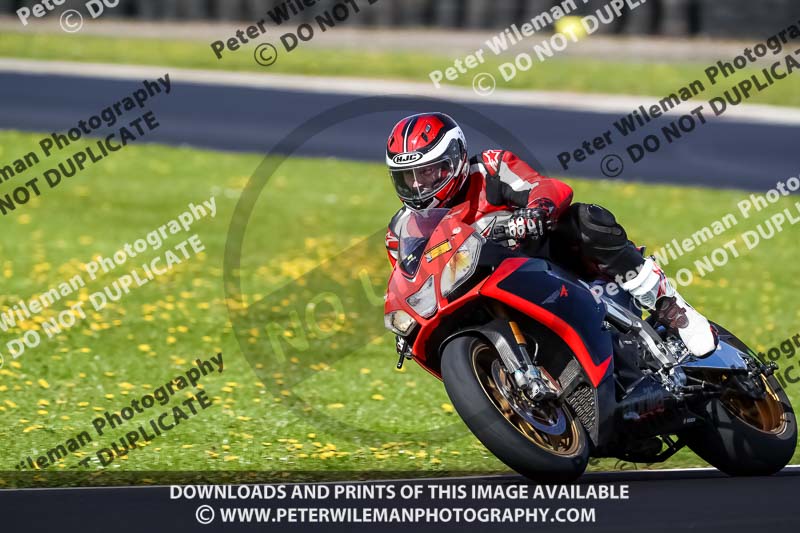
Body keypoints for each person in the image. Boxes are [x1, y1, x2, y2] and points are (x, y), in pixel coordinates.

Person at [384, 112, 717, 357]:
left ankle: (670, 307)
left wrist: (535, 212)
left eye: (427, 171)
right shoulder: (400, 231)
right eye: (407, 176)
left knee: (587, 218)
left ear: (454, 159)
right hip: (477, 297)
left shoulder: (489, 169)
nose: (418, 184)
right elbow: (410, 282)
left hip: (539, 262)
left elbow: (545, 187)